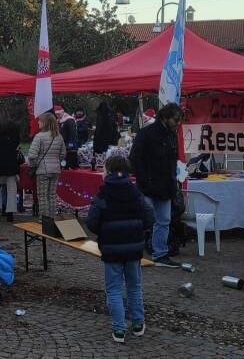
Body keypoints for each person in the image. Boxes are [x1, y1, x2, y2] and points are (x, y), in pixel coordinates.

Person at [85, 156, 153, 344]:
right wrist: (141, 230)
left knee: (113, 289)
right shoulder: (135, 191)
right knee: (134, 285)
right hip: (134, 246)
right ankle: (138, 323)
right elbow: (149, 215)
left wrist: (103, 232)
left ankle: (119, 329)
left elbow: (91, 221)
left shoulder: (103, 193)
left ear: (108, 171)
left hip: (112, 247)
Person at [129, 102, 183, 268]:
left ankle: (160, 254)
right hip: (149, 186)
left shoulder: (171, 135)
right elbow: (135, 159)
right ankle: (133, 253)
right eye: (176, 120)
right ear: (165, 117)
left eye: (179, 120)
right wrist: (144, 181)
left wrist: (174, 182)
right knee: (142, 220)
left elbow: (172, 161)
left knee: (164, 221)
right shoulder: (146, 134)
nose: (178, 123)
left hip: (165, 186)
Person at [26, 112, 65, 217]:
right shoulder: (59, 137)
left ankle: (44, 221)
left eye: (40, 120)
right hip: (55, 170)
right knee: (52, 196)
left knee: (42, 197)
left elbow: (32, 155)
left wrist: (34, 165)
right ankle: (52, 218)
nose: (38, 122)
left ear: (44, 123)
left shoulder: (39, 136)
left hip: (42, 170)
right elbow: (63, 154)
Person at [0, 111, 20, 221]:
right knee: (11, 186)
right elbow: (17, 142)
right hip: (11, 158)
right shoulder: (15, 127)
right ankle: (10, 211)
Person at [93, 102, 120, 169]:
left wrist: (95, 145)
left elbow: (99, 129)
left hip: (102, 142)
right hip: (111, 141)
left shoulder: (101, 115)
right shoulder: (111, 114)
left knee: (103, 159)